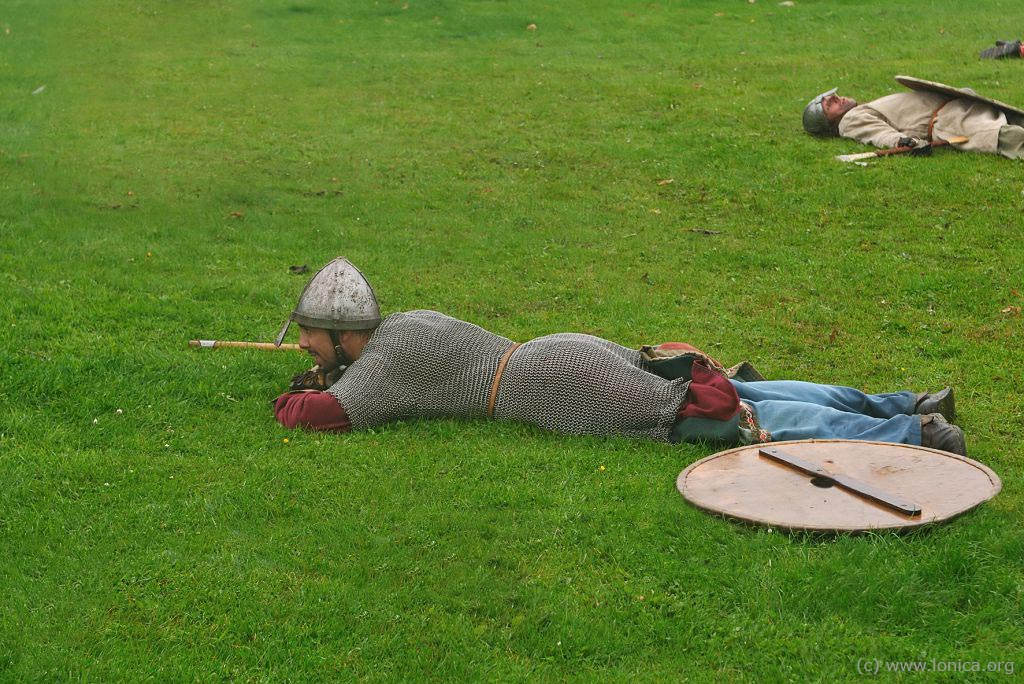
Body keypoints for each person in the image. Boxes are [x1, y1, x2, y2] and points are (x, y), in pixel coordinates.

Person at [273, 258, 966, 455]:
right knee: (720, 385)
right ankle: (905, 403)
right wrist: (337, 364)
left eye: (309, 333)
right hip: (557, 351)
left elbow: (313, 416)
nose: (304, 344)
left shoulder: (386, 366)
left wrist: (300, 387)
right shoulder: (407, 324)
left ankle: (914, 434)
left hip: (546, 385)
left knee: (717, 414)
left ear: (343, 332)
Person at [802, 83, 1024, 160]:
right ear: (828, 123)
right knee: (1010, 138)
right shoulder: (849, 121)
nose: (836, 98)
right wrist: (903, 141)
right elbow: (876, 133)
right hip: (950, 122)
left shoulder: (860, 109)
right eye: (829, 104)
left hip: (961, 108)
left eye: (832, 96)